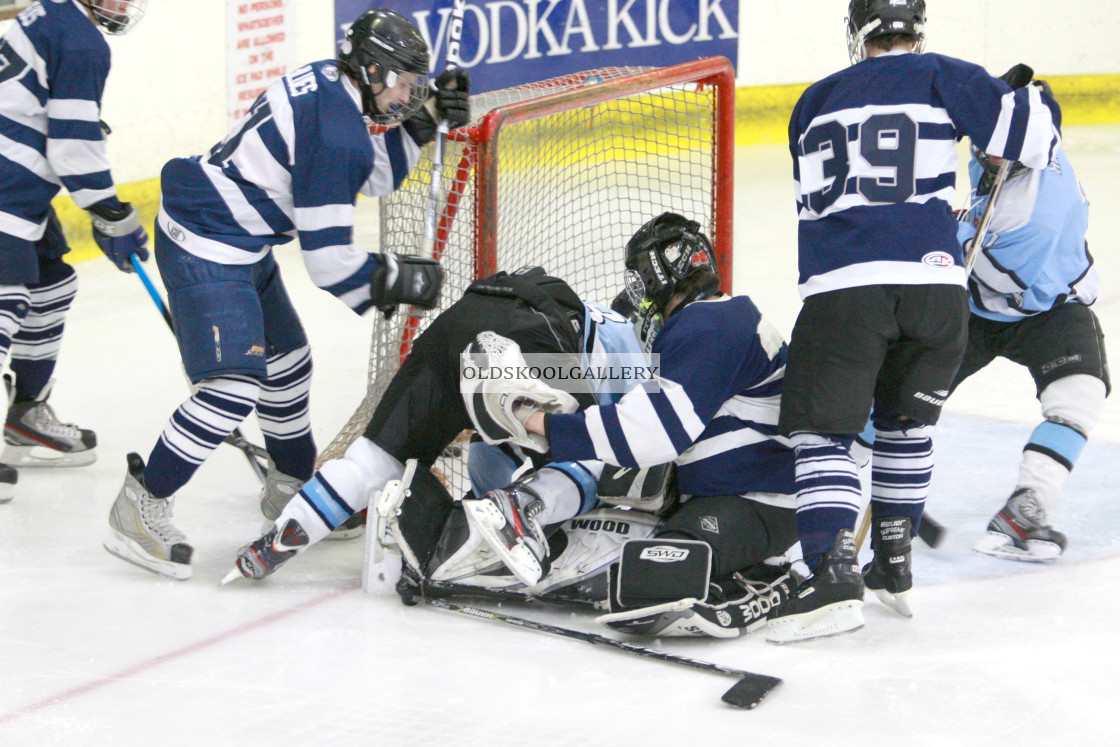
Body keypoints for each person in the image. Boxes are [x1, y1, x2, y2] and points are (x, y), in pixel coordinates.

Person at [103, 8, 467, 580]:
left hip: (237, 236)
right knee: (230, 388)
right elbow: (328, 264)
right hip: (208, 242)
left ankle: (289, 485)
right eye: (401, 81)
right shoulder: (335, 130)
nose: (406, 92)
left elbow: (362, 172)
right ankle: (141, 503)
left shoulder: (331, 84)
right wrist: (394, 277)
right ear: (370, 71)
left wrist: (419, 125)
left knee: (288, 366)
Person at [773, 0, 1060, 641]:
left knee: (822, 436)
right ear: (917, 28)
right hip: (936, 290)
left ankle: (829, 576)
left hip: (845, 289)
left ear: (857, 32)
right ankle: (892, 567)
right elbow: (1036, 139)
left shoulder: (811, 101)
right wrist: (1030, 100)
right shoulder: (944, 76)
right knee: (906, 425)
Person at [414, 212, 801, 639]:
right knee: (604, 477)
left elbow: (648, 434)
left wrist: (537, 422)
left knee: (651, 576)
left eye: (638, 283)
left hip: (757, 502)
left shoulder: (707, 325)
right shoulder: (708, 321)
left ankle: (759, 573)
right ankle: (518, 508)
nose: (634, 296)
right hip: (718, 488)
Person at [224, 263, 646, 583]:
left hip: (456, 326)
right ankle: (518, 511)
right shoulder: (628, 340)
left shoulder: (598, 321)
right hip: (527, 335)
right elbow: (638, 438)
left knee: (371, 462)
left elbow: (486, 447)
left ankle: (277, 541)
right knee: (594, 454)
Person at [0, 0, 151, 502]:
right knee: (7, 299)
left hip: (19, 177)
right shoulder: (82, 41)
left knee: (51, 284)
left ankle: (25, 413)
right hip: (6, 181)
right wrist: (112, 214)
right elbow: (72, 144)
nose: (126, 4)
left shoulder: (48, 14)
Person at [952, 80, 1107, 562]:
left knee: (1080, 393)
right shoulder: (1023, 135)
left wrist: (952, 229)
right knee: (896, 394)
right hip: (973, 307)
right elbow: (1041, 98)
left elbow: (1002, 280)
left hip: (1045, 304)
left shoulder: (1029, 216)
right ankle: (835, 488)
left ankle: (1025, 511)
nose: (987, 157)